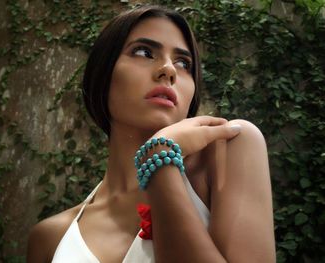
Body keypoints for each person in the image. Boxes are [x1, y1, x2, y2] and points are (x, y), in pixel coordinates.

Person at [27, 4, 275, 263]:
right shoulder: (51, 237)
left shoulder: (229, 150)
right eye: (144, 52)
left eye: (183, 63)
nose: (168, 70)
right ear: (103, 73)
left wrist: (160, 163)